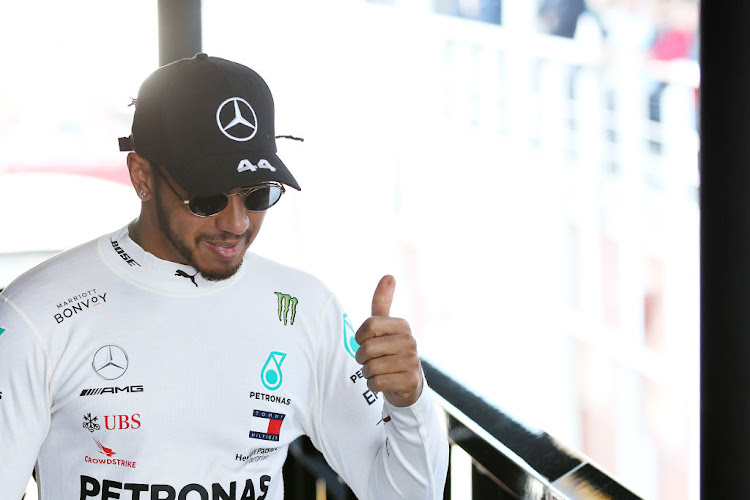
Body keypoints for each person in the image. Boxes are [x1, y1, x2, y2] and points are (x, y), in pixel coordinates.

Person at [0, 53, 449, 499]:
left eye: (258, 194)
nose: (236, 222)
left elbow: (409, 495)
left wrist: (410, 402)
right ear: (141, 177)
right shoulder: (34, 315)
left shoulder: (305, 310)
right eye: (207, 197)